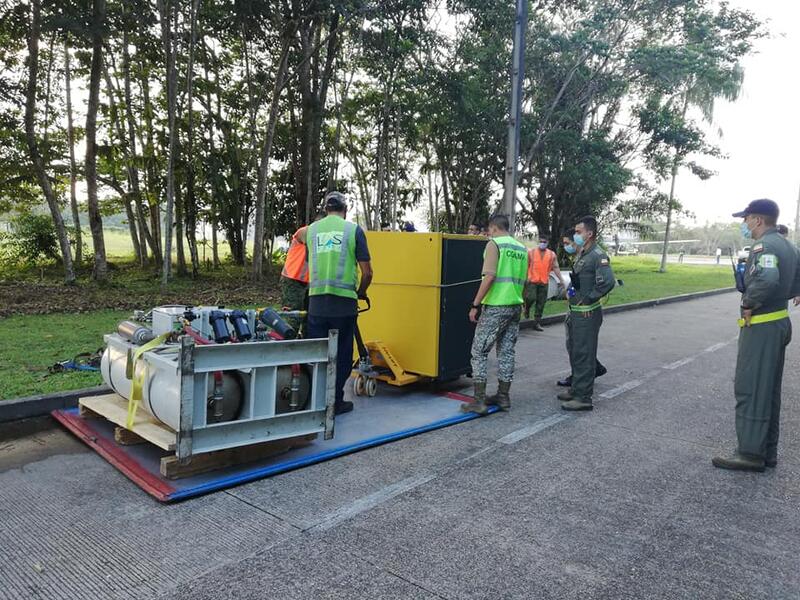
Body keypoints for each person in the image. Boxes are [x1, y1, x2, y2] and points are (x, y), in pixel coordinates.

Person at [713, 199, 800, 471]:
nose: (744, 224)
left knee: (751, 387)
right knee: (768, 390)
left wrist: (749, 302)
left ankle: (749, 453)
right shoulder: (788, 245)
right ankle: (766, 451)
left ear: (758, 220)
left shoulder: (765, 246)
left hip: (762, 325)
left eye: (746, 218)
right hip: (778, 321)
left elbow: (767, 279)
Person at [299, 191, 373, 415]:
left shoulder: (312, 231)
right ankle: (335, 401)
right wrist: (360, 292)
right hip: (343, 305)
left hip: (317, 303)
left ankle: (314, 400)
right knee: (341, 354)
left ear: (325, 209)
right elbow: (367, 272)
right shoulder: (353, 230)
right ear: (345, 209)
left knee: (317, 353)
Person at [461, 214, 528, 414]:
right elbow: (525, 280)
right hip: (515, 305)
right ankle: (503, 396)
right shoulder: (522, 248)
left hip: (496, 306)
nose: (488, 234)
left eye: (489, 230)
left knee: (479, 352)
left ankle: (479, 401)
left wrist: (475, 304)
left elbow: (489, 276)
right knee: (506, 352)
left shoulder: (494, 245)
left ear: (493, 228)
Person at [559, 216, 615, 411]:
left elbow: (608, 282)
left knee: (584, 353)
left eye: (578, 232)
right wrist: (572, 293)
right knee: (575, 351)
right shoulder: (583, 254)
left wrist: (589, 297)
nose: (576, 235)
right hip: (576, 312)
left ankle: (583, 397)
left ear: (589, 234)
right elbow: (578, 281)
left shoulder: (597, 255)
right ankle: (576, 389)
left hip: (587, 313)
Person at [556, 232, 607, 388]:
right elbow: (575, 284)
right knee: (574, 345)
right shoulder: (580, 258)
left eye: (568, 242)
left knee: (580, 347)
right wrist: (569, 294)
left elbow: (605, 282)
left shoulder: (594, 257)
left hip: (585, 310)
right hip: (575, 308)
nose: (567, 246)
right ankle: (587, 372)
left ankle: (581, 380)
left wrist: (587, 300)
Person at [280, 212, 324, 331]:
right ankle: (286, 345)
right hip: (292, 280)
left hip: (309, 283)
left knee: (309, 319)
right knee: (292, 318)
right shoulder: (304, 232)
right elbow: (310, 243)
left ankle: (305, 345)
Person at [524, 233, 563, 330]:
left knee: (541, 303)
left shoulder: (551, 254)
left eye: (544, 242)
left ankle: (537, 322)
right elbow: (525, 266)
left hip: (544, 281)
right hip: (532, 280)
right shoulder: (531, 252)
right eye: (540, 242)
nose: (542, 243)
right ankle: (527, 308)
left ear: (547, 243)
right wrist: (525, 278)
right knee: (530, 298)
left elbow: (556, 267)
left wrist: (561, 279)